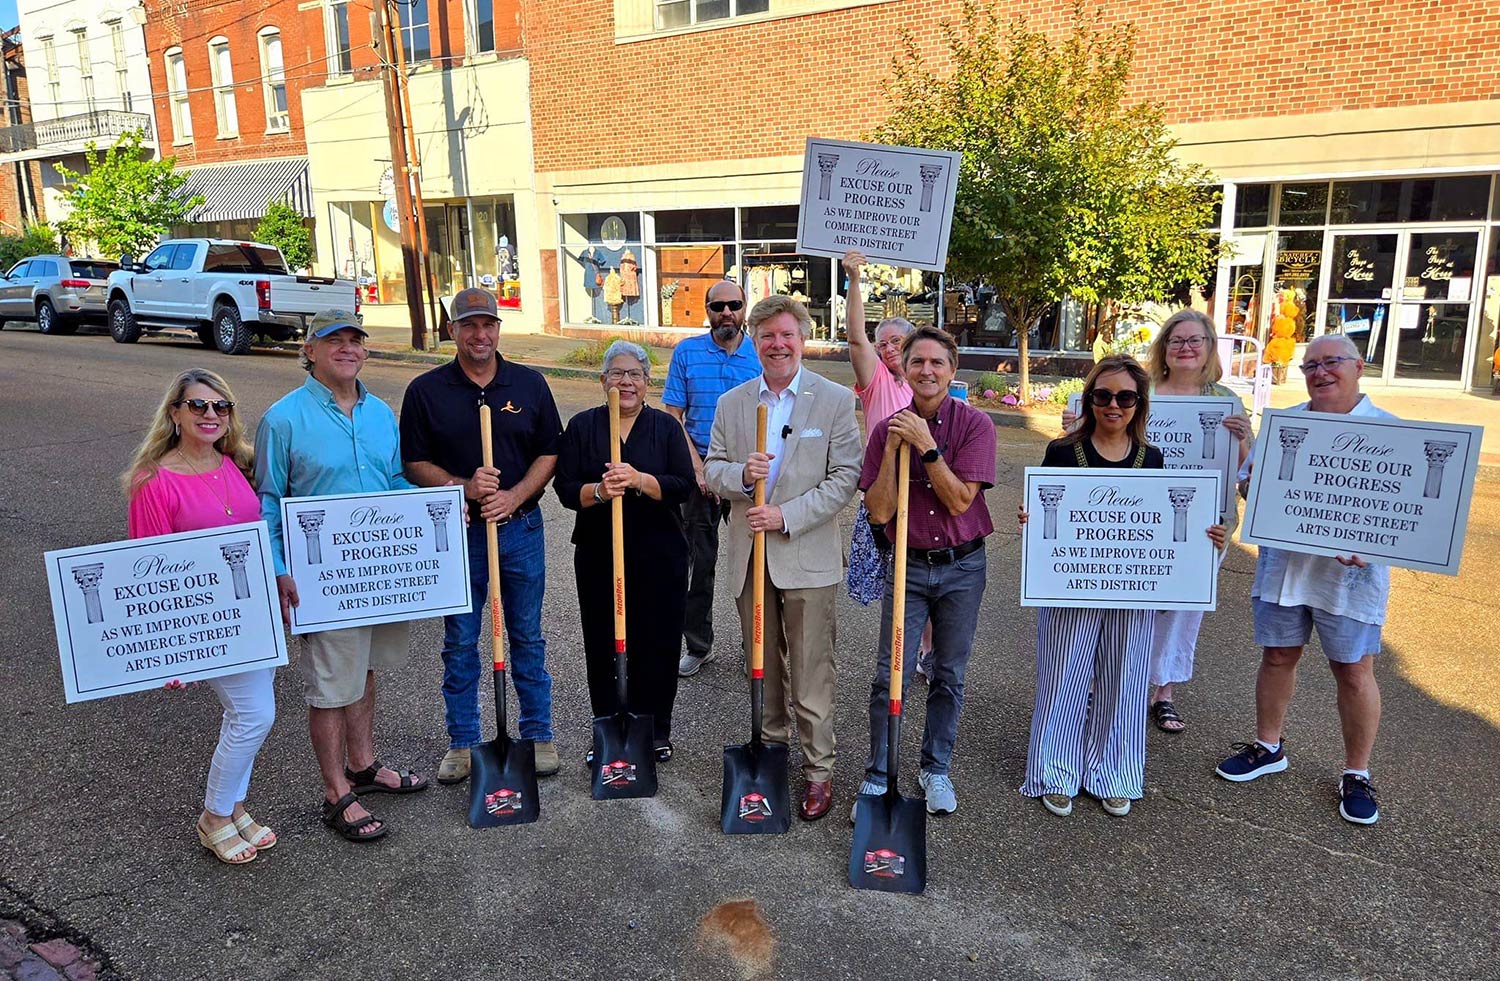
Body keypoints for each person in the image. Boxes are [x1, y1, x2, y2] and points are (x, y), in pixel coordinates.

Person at [1019, 355, 1226, 818]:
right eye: (1104, 395)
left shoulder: (1151, 458)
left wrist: (1204, 535)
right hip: (1072, 585)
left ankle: (1113, 771)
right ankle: (1055, 771)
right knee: (1063, 678)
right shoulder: (1061, 452)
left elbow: (1158, 522)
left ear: (1139, 403)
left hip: (1132, 588)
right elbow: (1050, 519)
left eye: (1126, 397)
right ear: (1091, 398)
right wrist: (1032, 522)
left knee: (1126, 679)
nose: (1114, 405)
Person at [256, 310, 429, 845]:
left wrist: (432, 512)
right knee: (330, 686)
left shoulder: (379, 413)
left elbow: (395, 479)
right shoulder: (282, 420)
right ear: (309, 351)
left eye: (356, 340)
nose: (348, 348)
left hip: (377, 574)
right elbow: (267, 503)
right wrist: (280, 571)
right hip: (322, 580)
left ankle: (363, 765)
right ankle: (336, 793)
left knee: (365, 669)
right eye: (335, 341)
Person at [1215, 334, 1392, 826]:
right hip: (1284, 569)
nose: (1321, 372)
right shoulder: (1285, 425)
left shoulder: (1393, 434)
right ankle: (1268, 746)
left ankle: (1356, 772)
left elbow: (1410, 519)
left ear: (1359, 367)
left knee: (1354, 671)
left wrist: (1374, 546)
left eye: (1332, 362)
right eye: (1310, 364)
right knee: (1277, 657)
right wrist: (1254, 481)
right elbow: (1250, 484)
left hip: (1349, 579)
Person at [705, 295, 862, 821]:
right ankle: (770, 755)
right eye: (767, 335)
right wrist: (740, 477)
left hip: (807, 557)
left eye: (786, 335)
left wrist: (785, 515)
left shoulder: (834, 400)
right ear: (755, 341)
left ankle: (820, 768)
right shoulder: (733, 404)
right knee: (763, 666)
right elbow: (712, 472)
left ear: (803, 339)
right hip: (751, 560)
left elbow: (846, 479)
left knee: (813, 667)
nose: (777, 344)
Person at [400, 287, 563, 783]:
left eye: (488, 324)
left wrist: (513, 496)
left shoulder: (529, 384)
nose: (480, 334)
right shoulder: (426, 391)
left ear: (498, 329)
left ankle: (537, 734)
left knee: (526, 636)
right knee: (462, 640)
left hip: (520, 529)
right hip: (461, 531)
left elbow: (550, 452)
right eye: (469, 325)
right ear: (453, 330)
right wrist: (463, 487)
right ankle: (464, 741)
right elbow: (413, 463)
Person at [125, 369, 275, 865]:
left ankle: (234, 807)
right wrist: (164, 651)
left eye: (221, 407)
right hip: (203, 622)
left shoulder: (236, 462)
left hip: (251, 612)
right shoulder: (155, 479)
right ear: (174, 412)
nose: (211, 415)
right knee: (254, 714)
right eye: (198, 406)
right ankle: (213, 816)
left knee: (248, 713)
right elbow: (145, 571)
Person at [857, 327, 996, 817]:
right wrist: (899, 448)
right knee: (887, 674)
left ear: (952, 371)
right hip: (908, 568)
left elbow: (961, 501)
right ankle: (880, 773)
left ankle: (935, 768)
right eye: (918, 362)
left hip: (962, 566)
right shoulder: (886, 430)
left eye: (938, 363)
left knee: (949, 674)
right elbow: (878, 512)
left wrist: (927, 446)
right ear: (905, 369)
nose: (927, 371)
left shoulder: (976, 425)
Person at [555, 341, 695, 761]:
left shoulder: (666, 429)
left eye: (634, 374)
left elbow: (682, 486)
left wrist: (639, 480)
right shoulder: (582, 426)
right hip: (600, 553)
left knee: (658, 643)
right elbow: (564, 490)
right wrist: (599, 491)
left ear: (647, 382)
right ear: (602, 381)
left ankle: (653, 730)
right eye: (616, 373)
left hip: (660, 554)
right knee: (604, 641)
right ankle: (609, 727)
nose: (626, 382)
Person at [1142, 310, 1253, 733]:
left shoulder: (1224, 399)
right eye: (1176, 340)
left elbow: (1247, 472)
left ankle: (1164, 691)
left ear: (1209, 348)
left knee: (1183, 609)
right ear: (1164, 349)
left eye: (1195, 340)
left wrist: (1243, 440)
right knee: (1134, 603)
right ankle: (1121, 683)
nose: (1185, 348)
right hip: (1145, 517)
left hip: (1208, 524)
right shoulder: (1143, 392)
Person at [839, 252, 937, 677]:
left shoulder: (930, 382)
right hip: (887, 489)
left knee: (931, 572)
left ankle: (928, 653)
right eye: (884, 344)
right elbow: (856, 338)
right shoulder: (876, 381)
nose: (887, 348)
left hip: (928, 487)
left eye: (897, 341)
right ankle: (901, 652)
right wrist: (854, 279)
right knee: (900, 577)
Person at [662, 278, 761, 678]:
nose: (726, 313)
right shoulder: (687, 353)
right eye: (717, 306)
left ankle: (754, 645)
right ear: (706, 310)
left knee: (753, 563)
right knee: (697, 564)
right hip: (699, 470)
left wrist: (747, 473)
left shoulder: (760, 353)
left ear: (743, 309)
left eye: (733, 305)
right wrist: (700, 470)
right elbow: (673, 416)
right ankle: (699, 645)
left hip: (750, 473)